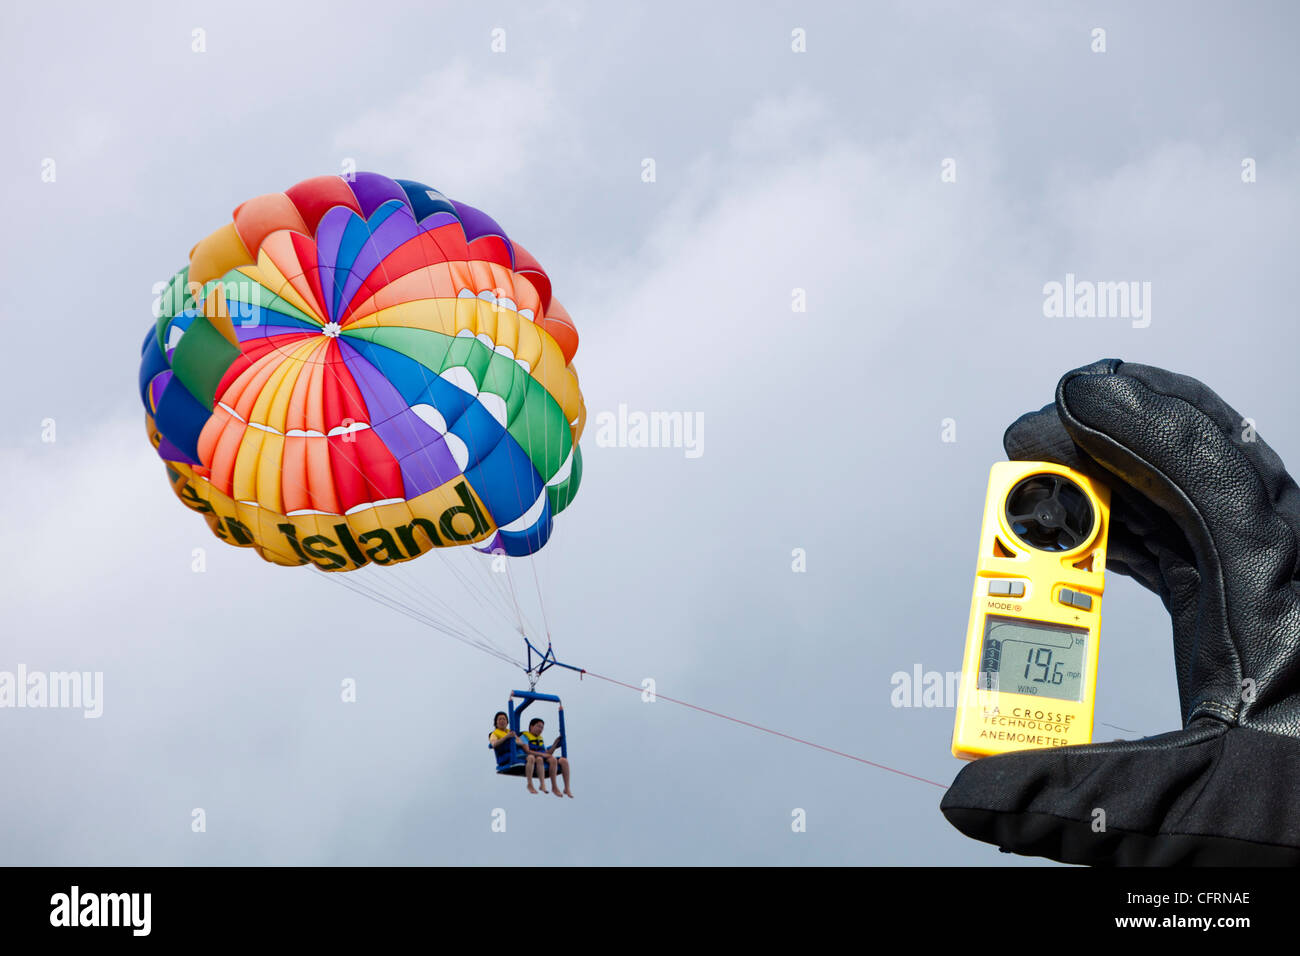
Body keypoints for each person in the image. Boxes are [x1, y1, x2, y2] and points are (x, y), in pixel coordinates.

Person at [519, 717, 573, 798]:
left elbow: (547, 753)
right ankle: (546, 785)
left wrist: (555, 744)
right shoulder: (524, 736)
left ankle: (566, 788)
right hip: (534, 757)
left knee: (563, 761)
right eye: (538, 726)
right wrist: (543, 755)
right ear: (531, 726)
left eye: (542, 728)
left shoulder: (540, 738)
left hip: (542, 756)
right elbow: (527, 751)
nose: (540, 729)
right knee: (543, 759)